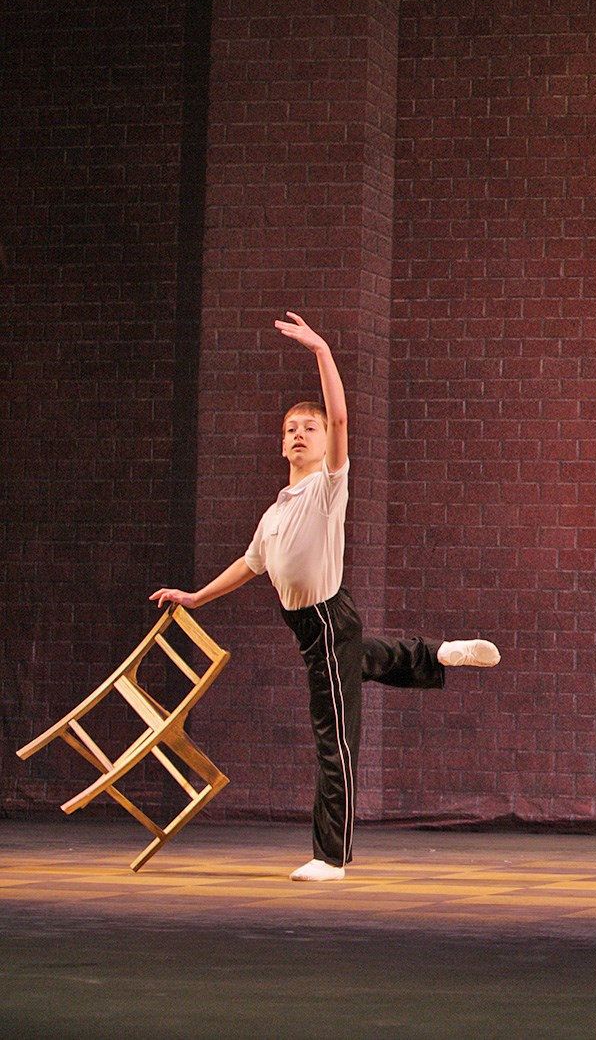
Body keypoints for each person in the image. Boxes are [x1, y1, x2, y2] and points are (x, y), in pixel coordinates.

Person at [150, 312, 500, 882]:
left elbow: (338, 414)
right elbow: (249, 564)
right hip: (314, 630)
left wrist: (321, 350)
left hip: (327, 619)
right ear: (279, 442)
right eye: (290, 428)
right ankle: (436, 653)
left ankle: (330, 857)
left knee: (334, 739)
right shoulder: (276, 510)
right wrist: (195, 597)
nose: (298, 435)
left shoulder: (326, 487)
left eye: (307, 430)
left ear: (323, 444)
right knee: (362, 661)